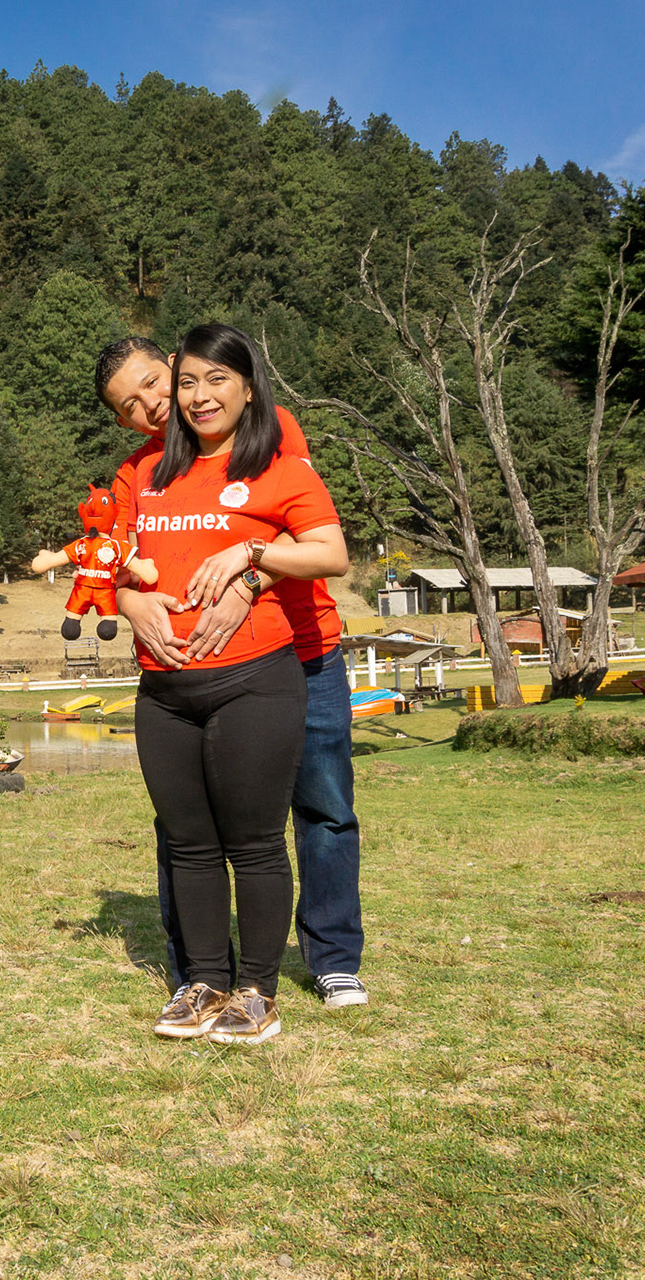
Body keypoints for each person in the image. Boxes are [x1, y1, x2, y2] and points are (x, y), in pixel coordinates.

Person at [95, 335, 368, 1011]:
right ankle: (196, 965)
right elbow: (112, 564)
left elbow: (299, 529)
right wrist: (130, 603)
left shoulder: (264, 432)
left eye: (158, 383)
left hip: (302, 647)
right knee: (185, 826)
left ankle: (332, 958)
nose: (154, 405)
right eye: (131, 405)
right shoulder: (141, 472)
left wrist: (250, 575)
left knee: (322, 807)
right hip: (193, 675)